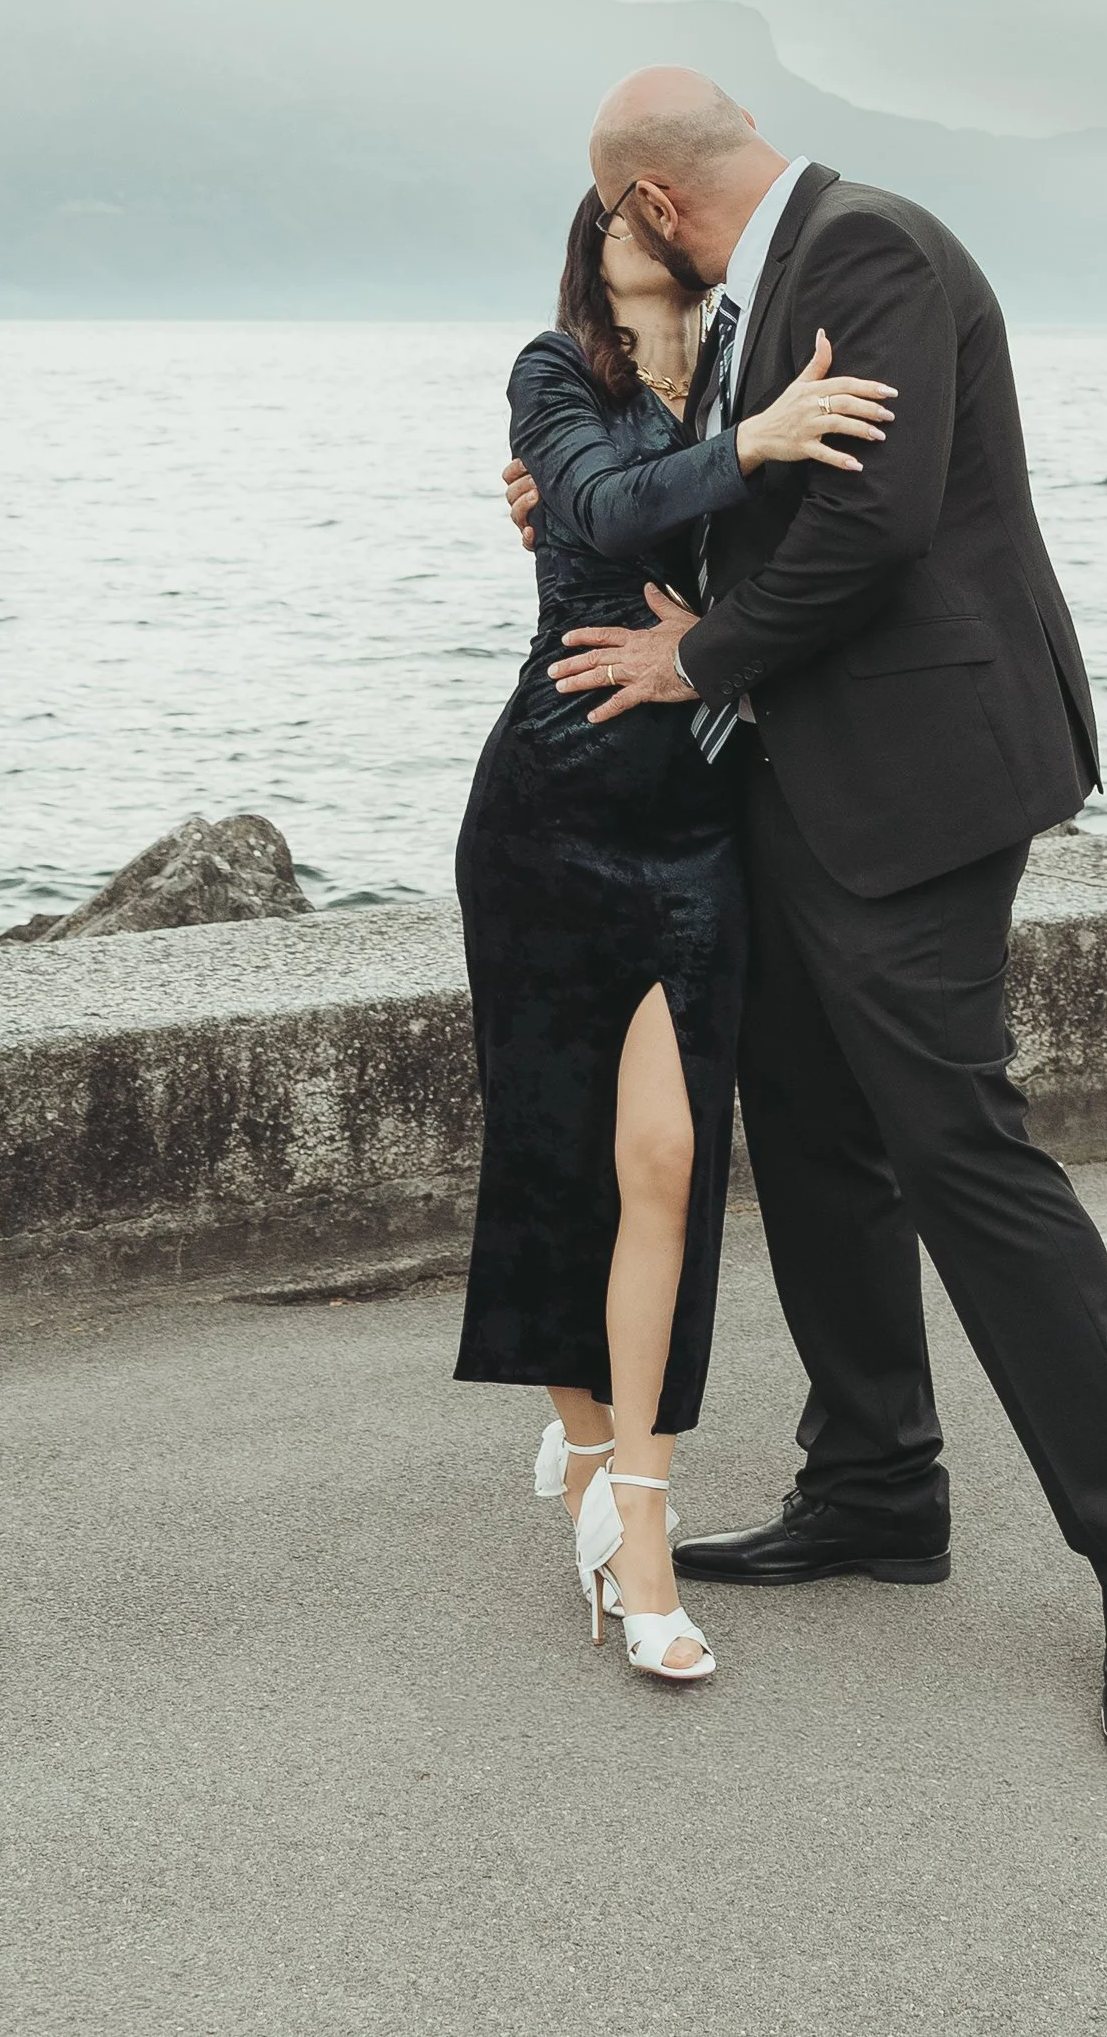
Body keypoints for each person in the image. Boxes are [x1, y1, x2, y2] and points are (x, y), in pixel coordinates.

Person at [530, 67, 1107, 1751]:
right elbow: (761, 510)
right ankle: (879, 1489)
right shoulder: (767, 295)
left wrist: (693, 650)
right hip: (797, 782)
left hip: (919, 784)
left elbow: (878, 529)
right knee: (817, 1141)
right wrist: (591, 514)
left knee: (961, 1155)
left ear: (651, 208)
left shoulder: (872, 255)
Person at [454, 182, 896, 1686]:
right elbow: (587, 504)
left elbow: (798, 555)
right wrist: (749, 447)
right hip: (550, 808)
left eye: (661, 201)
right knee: (557, 1149)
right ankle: (604, 1476)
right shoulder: (551, 373)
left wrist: (756, 435)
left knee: (670, 1162)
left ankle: (624, 1493)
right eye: (614, 203)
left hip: (697, 825)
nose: (642, 215)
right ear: (596, 241)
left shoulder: (744, 365)